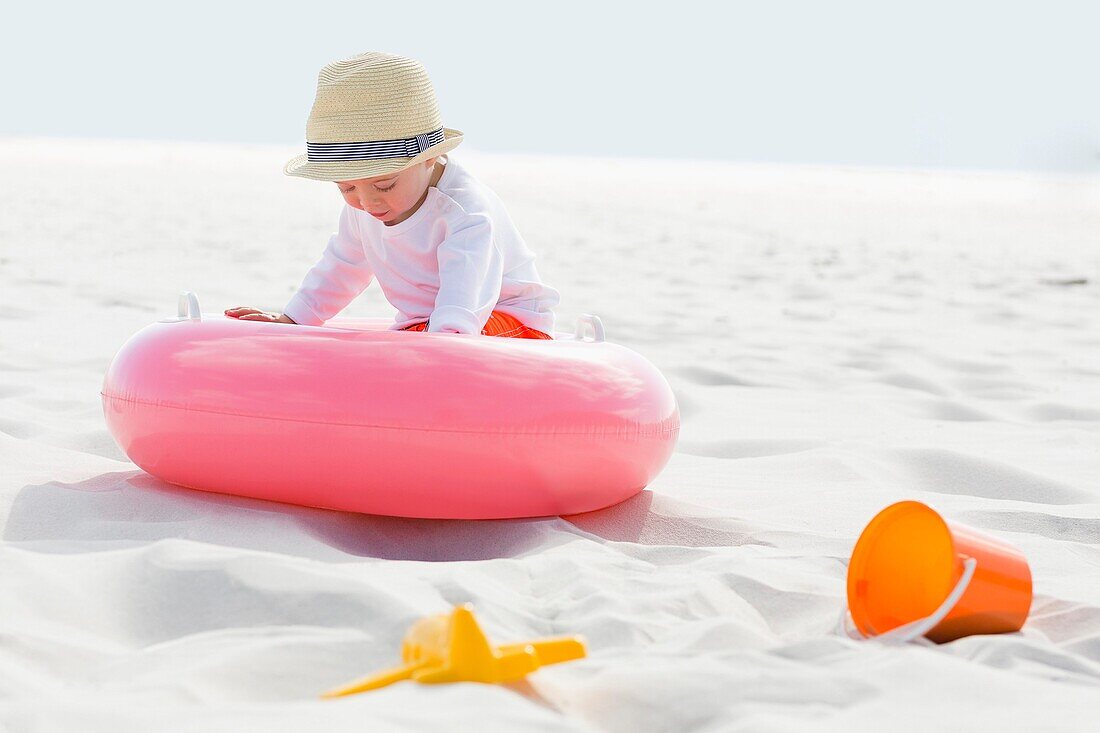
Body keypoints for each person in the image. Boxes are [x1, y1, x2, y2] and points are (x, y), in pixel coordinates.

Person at [226, 52, 559, 339]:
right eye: (346, 188)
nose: (367, 202)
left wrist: (436, 345)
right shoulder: (364, 207)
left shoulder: (465, 213)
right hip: (427, 325)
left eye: (384, 185)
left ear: (429, 158)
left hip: (509, 320)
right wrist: (292, 320)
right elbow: (343, 266)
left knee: (412, 344)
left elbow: (463, 302)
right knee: (407, 340)